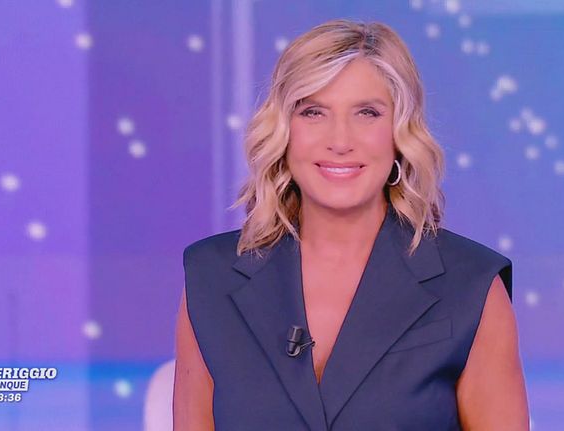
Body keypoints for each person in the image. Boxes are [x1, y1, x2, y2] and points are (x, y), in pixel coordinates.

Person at [173, 18, 529, 430]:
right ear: (284, 131)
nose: (340, 141)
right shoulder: (211, 278)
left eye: (367, 113)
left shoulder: (471, 285)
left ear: (399, 132)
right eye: (313, 112)